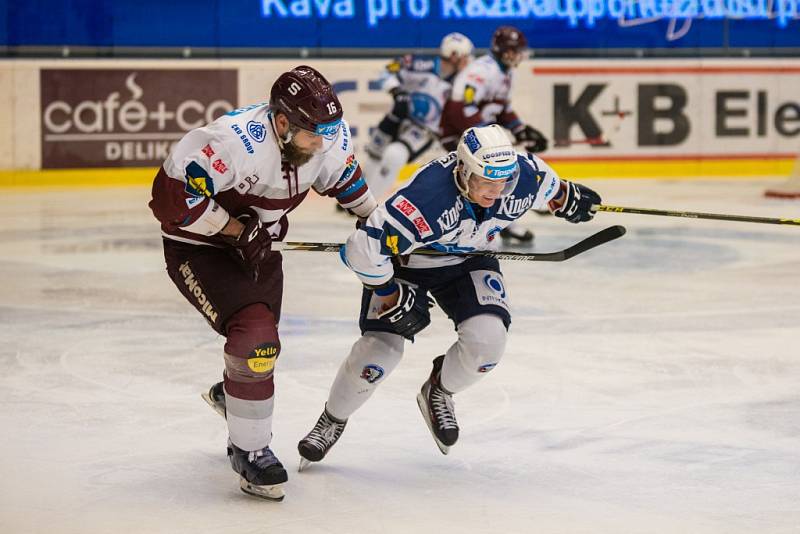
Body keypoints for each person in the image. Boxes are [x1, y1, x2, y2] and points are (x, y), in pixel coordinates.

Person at [297, 124, 601, 466]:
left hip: (469, 261)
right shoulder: (427, 199)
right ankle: (332, 420)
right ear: (463, 171)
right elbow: (362, 250)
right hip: (409, 265)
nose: (495, 192)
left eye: (503, 182)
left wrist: (565, 197)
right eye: (486, 182)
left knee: (487, 344)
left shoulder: (523, 174)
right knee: (377, 354)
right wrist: (389, 291)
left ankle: (438, 391)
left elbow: (549, 186)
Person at [148, 65, 377, 501]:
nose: (323, 144)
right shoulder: (232, 144)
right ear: (283, 122)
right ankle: (249, 451)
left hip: (261, 246)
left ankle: (233, 395)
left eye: (329, 133)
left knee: (261, 346)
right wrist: (234, 231)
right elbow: (171, 200)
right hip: (198, 248)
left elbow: (345, 181)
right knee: (256, 341)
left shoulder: (323, 135)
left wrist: (384, 226)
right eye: (313, 135)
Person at [440, 26, 549, 244]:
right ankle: (468, 229)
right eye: (515, 50)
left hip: (478, 137)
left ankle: (503, 224)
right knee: (486, 179)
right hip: (459, 135)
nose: (519, 55)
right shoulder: (481, 71)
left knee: (498, 175)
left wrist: (520, 129)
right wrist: (487, 140)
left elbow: (502, 110)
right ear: (504, 51)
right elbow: (459, 109)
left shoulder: (507, 73)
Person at [362, 32, 474, 201]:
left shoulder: (465, 82)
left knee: (394, 155)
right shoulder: (421, 64)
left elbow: (467, 109)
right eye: (465, 56)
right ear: (454, 56)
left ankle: (368, 204)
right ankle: (357, 197)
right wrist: (396, 91)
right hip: (398, 116)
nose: (468, 61)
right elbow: (386, 72)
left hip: (424, 130)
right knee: (374, 153)